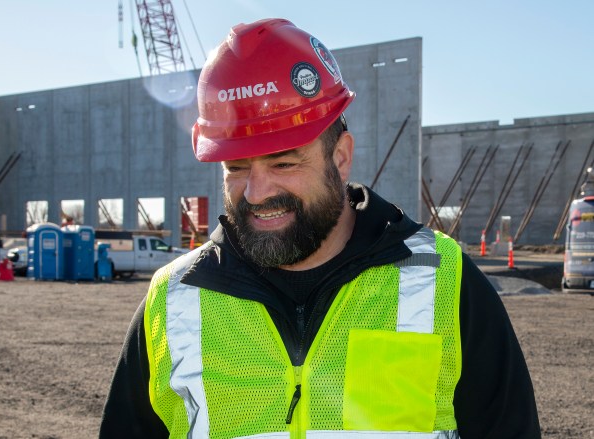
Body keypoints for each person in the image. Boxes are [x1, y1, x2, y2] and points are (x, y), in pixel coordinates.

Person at [99, 18, 540, 438]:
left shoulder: (444, 282)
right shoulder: (173, 299)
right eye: (236, 167)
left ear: (341, 157)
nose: (255, 192)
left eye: (284, 163)